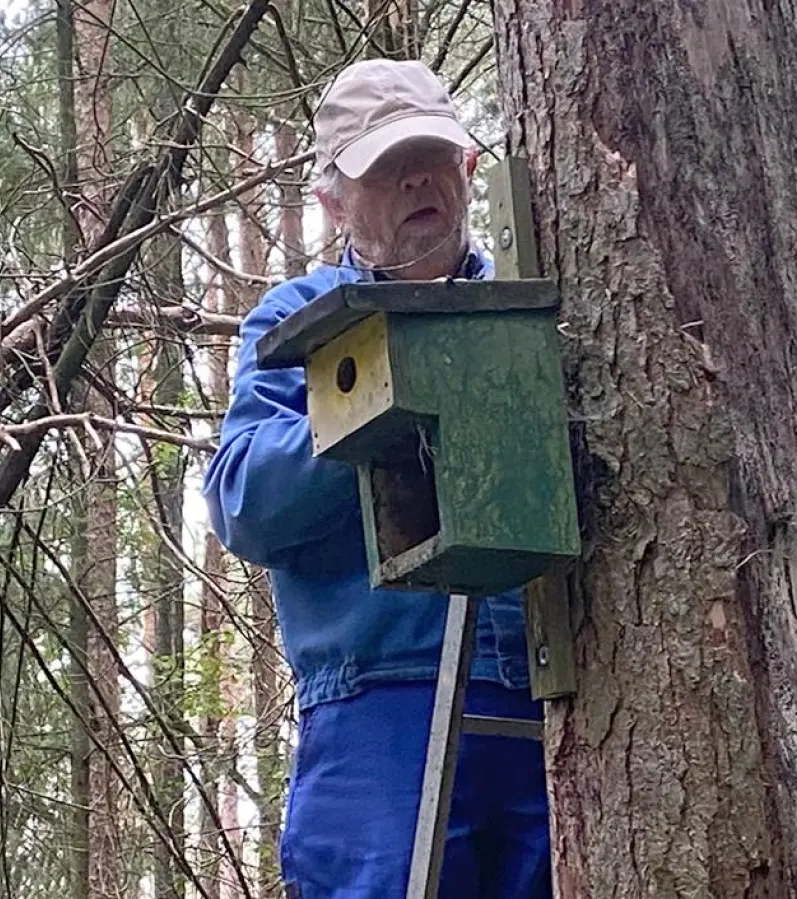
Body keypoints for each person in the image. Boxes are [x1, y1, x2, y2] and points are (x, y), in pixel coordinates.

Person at [201, 59, 553, 899]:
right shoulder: (302, 321)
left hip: (548, 701)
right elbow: (242, 497)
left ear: (468, 166)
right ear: (334, 201)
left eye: (430, 158)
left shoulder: (532, 303)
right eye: (386, 170)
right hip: (377, 708)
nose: (416, 183)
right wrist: (380, 409)